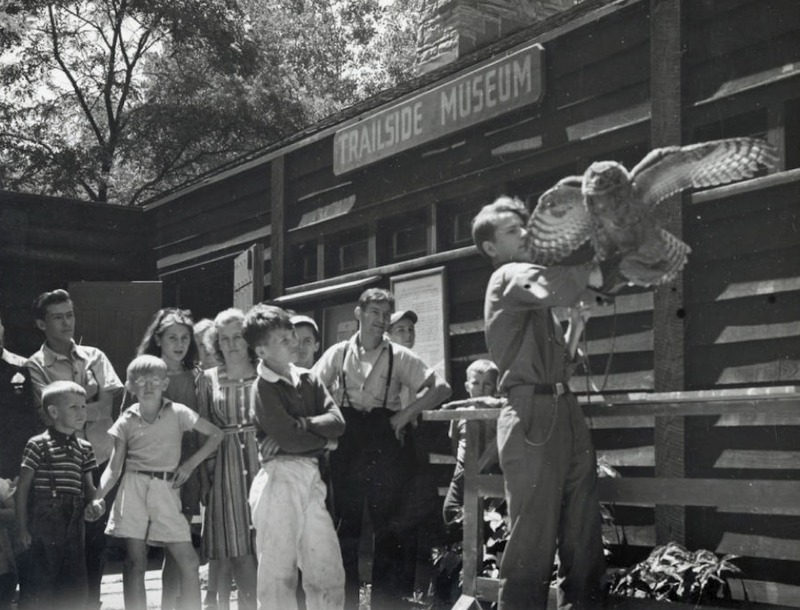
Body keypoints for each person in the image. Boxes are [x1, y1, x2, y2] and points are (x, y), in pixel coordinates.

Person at [472, 195, 607, 609]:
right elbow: (558, 283)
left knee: (582, 532)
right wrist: (609, 263)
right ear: (491, 248)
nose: (526, 233)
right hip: (531, 415)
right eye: (513, 230)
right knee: (532, 541)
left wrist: (575, 328)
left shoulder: (530, 296)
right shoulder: (509, 277)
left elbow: (560, 364)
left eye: (525, 226)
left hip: (563, 409)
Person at [312, 288, 451, 610]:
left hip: (384, 442)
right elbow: (312, 385)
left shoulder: (398, 356)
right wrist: (326, 421)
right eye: (375, 312)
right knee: (346, 524)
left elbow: (441, 387)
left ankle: (387, 604)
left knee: (388, 527)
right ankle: (344, 602)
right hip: (348, 444)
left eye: (386, 314)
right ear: (358, 314)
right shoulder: (339, 352)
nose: (381, 320)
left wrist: (406, 414)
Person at [90, 355, 223, 610]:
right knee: (135, 562)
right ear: (130, 387)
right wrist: (98, 496)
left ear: (165, 384)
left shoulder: (178, 412)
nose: (148, 386)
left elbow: (216, 435)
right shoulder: (127, 420)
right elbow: (114, 467)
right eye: (141, 381)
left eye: (154, 380)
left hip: (166, 490)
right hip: (134, 488)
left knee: (189, 561)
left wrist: (189, 465)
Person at [242, 304, 346, 610]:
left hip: (311, 479)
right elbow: (287, 438)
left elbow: (338, 422)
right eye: (284, 340)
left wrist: (307, 425)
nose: (294, 344)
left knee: (326, 570)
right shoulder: (263, 387)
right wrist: (325, 445)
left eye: (294, 337)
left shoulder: (309, 379)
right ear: (261, 350)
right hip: (278, 480)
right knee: (278, 576)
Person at [25, 289, 123, 609]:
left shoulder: (95, 356)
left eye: (70, 315)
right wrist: (88, 407)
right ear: (41, 323)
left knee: (95, 544)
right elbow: (46, 411)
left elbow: (109, 404)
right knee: (60, 550)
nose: (67, 322)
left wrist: (73, 409)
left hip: (98, 460)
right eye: (58, 317)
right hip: (58, 469)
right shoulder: (35, 365)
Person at [136, 308, 208, 609]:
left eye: (184, 337)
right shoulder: (145, 375)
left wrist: (200, 472)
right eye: (172, 337)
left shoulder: (197, 377)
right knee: (164, 548)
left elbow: (205, 426)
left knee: (183, 547)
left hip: (189, 471)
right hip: (156, 472)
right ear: (158, 339)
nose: (179, 344)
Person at [15, 381, 101, 610]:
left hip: (74, 522)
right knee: (40, 582)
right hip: (44, 521)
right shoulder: (38, 444)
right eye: (74, 407)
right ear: (53, 412)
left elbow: (89, 488)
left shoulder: (84, 447)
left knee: (73, 581)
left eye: (84, 407)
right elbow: (23, 489)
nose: (82, 412)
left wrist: (95, 503)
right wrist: (22, 529)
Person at [198, 309, 258, 610]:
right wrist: (207, 478)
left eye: (238, 337)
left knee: (266, 538)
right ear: (216, 343)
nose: (232, 344)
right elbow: (205, 430)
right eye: (224, 339)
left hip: (263, 463)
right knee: (235, 544)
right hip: (226, 467)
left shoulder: (266, 371)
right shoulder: (208, 379)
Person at [441, 359, 502, 529]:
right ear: (467, 386)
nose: (481, 389)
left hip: (490, 472)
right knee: (450, 512)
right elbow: (455, 443)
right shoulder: (460, 414)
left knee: (491, 519)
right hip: (462, 473)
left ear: (495, 388)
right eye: (476, 383)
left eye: (487, 384)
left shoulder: (498, 415)